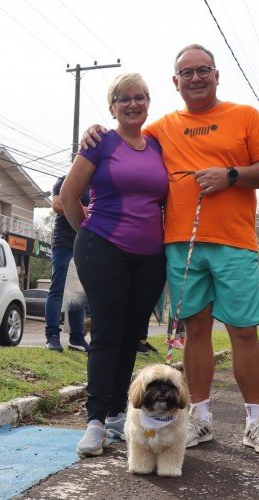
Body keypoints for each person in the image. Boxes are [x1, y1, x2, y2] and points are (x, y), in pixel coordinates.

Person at [83, 44, 259, 455]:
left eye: (202, 70)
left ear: (216, 75)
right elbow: (127, 137)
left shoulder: (244, 116)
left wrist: (231, 175)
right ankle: (200, 418)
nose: (195, 78)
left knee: (244, 332)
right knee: (195, 332)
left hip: (234, 242)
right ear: (175, 82)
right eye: (186, 73)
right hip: (180, 245)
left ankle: (257, 422)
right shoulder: (161, 128)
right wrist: (92, 132)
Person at [61, 73, 168, 458]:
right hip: (102, 247)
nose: (133, 104)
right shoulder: (100, 141)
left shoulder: (158, 144)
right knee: (106, 333)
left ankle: (116, 416)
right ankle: (93, 423)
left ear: (148, 102)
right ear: (112, 108)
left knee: (131, 336)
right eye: (124, 99)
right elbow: (68, 195)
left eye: (140, 97)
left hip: (151, 256)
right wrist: (89, 233)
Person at [44, 176, 89, 353]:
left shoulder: (94, 186)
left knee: (78, 292)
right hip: (63, 243)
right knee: (58, 290)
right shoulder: (64, 181)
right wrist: (88, 210)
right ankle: (52, 337)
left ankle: (77, 339)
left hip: (84, 244)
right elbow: (57, 205)